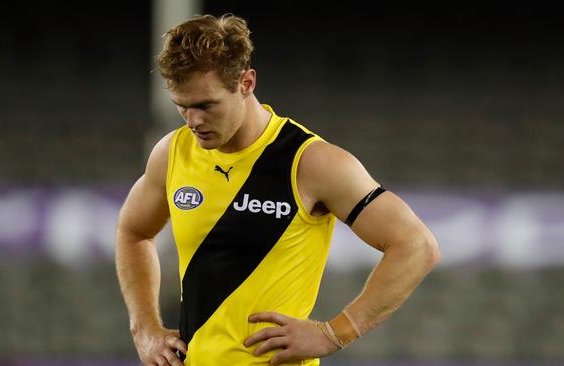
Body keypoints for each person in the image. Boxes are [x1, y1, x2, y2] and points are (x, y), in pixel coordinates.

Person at [115, 14, 440, 366]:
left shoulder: (310, 163)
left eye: (206, 105)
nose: (193, 121)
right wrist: (144, 328)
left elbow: (416, 245)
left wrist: (335, 332)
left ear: (246, 83)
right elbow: (133, 231)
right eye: (183, 106)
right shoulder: (172, 153)